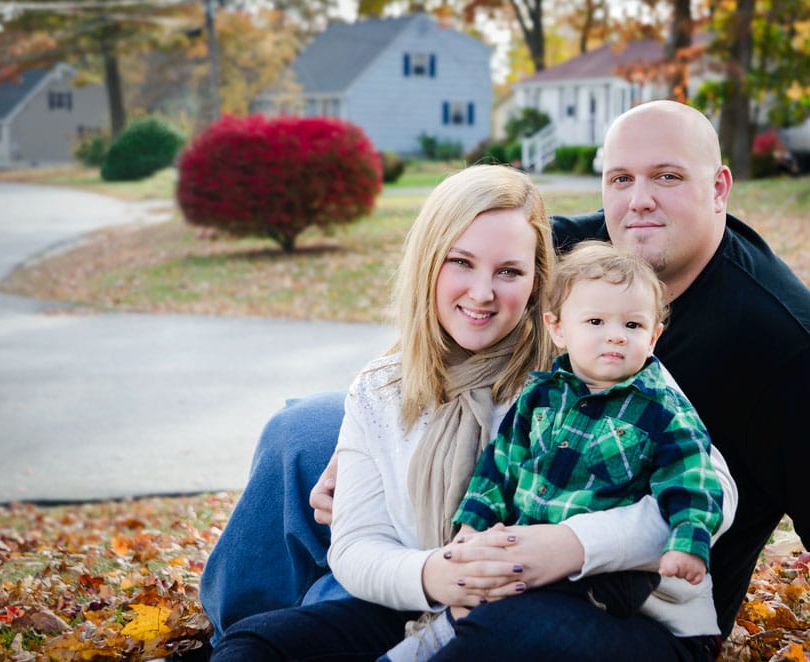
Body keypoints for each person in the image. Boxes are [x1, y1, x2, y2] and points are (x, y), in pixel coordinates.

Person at [202, 101, 810, 659]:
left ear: (719, 188)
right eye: (620, 179)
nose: (638, 199)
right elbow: (465, 279)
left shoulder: (789, 343)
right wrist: (370, 428)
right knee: (302, 427)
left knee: (498, 625)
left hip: (640, 583)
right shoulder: (587, 247)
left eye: (668, 177)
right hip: (482, 529)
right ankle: (266, 624)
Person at [207, 163, 736, 661]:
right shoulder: (382, 389)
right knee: (258, 645)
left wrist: (568, 546)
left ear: (535, 283)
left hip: (618, 612)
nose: (482, 294)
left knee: (504, 635)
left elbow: (717, 493)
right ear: (427, 261)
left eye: (509, 271)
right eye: (460, 262)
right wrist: (437, 574)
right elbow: (356, 545)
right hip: (439, 605)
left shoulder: (588, 355)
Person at [384, 241, 727, 661]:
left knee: (518, 610)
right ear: (558, 329)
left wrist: (687, 543)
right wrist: (473, 524)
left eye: (634, 326)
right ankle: (427, 643)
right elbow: (499, 465)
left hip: (606, 581)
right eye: (596, 321)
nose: (616, 335)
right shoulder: (539, 397)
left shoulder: (661, 411)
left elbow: (693, 478)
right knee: (486, 590)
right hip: (529, 550)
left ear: (654, 335)